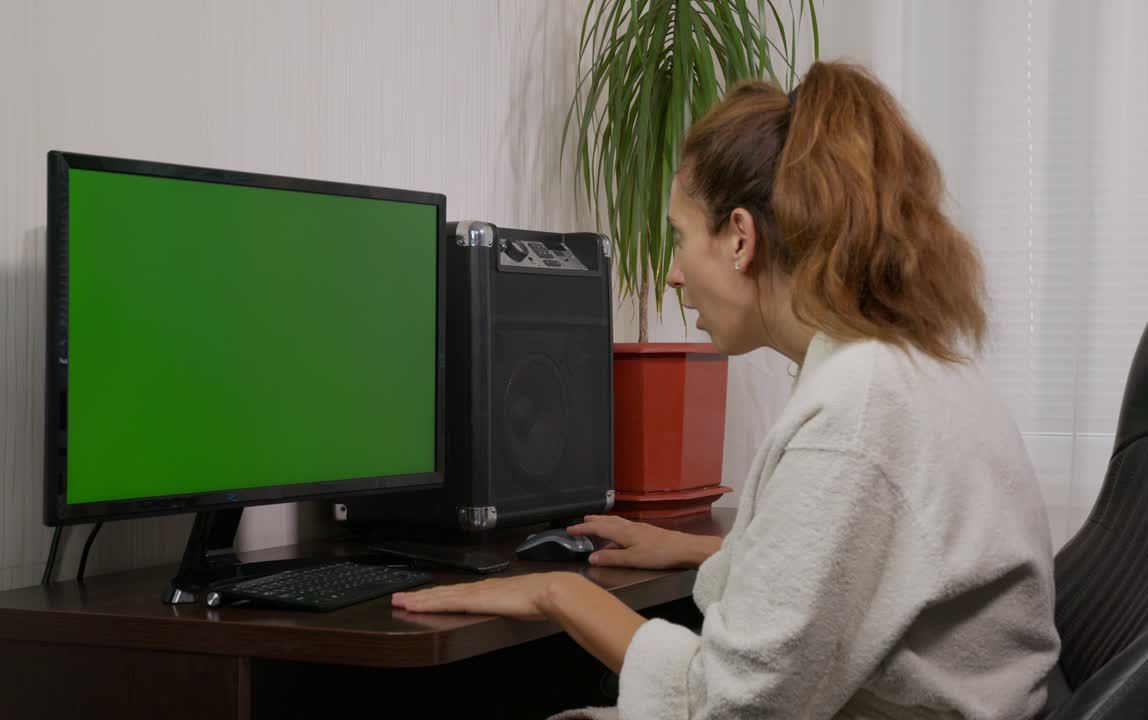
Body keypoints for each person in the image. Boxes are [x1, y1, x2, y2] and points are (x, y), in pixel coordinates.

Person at [392, 60, 1061, 720]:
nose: (674, 274)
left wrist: (561, 595)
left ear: (740, 239)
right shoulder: (910, 366)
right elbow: (858, 569)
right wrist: (696, 549)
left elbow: (731, 707)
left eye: (681, 238)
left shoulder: (854, 415)